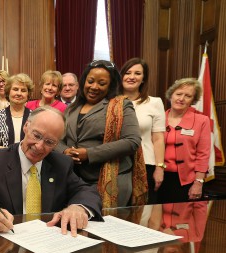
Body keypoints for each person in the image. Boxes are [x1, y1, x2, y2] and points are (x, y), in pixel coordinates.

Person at [0, 106, 102, 236]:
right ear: (26, 127)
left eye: (49, 142)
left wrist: (78, 207)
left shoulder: (61, 164)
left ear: (57, 144)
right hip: (4, 248)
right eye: (37, 135)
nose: (39, 146)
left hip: (48, 244)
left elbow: (87, 191)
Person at [58, 60, 146, 208]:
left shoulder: (121, 105)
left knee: (107, 228)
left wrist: (89, 154)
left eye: (102, 83)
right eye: (90, 81)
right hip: (74, 180)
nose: (94, 87)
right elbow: (56, 139)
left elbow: (132, 141)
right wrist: (65, 151)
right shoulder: (72, 108)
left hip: (111, 182)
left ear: (111, 85)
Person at [120, 58, 166, 204]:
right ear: (121, 76)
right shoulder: (110, 102)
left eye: (137, 73)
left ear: (143, 78)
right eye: (128, 72)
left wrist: (160, 168)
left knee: (143, 211)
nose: (132, 77)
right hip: (117, 163)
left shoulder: (155, 102)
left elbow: (158, 138)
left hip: (146, 164)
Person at [158, 78, 211, 203]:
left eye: (188, 96)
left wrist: (198, 183)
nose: (181, 99)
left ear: (193, 100)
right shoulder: (158, 118)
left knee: (182, 221)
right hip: (158, 178)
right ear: (171, 95)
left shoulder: (202, 121)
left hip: (187, 182)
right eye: (178, 94)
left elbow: (203, 154)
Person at [0, 73, 33, 148]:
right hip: (2, 158)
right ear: (8, 92)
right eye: (15, 89)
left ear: (28, 94)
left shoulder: (34, 117)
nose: (19, 93)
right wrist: (10, 152)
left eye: (23, 90)